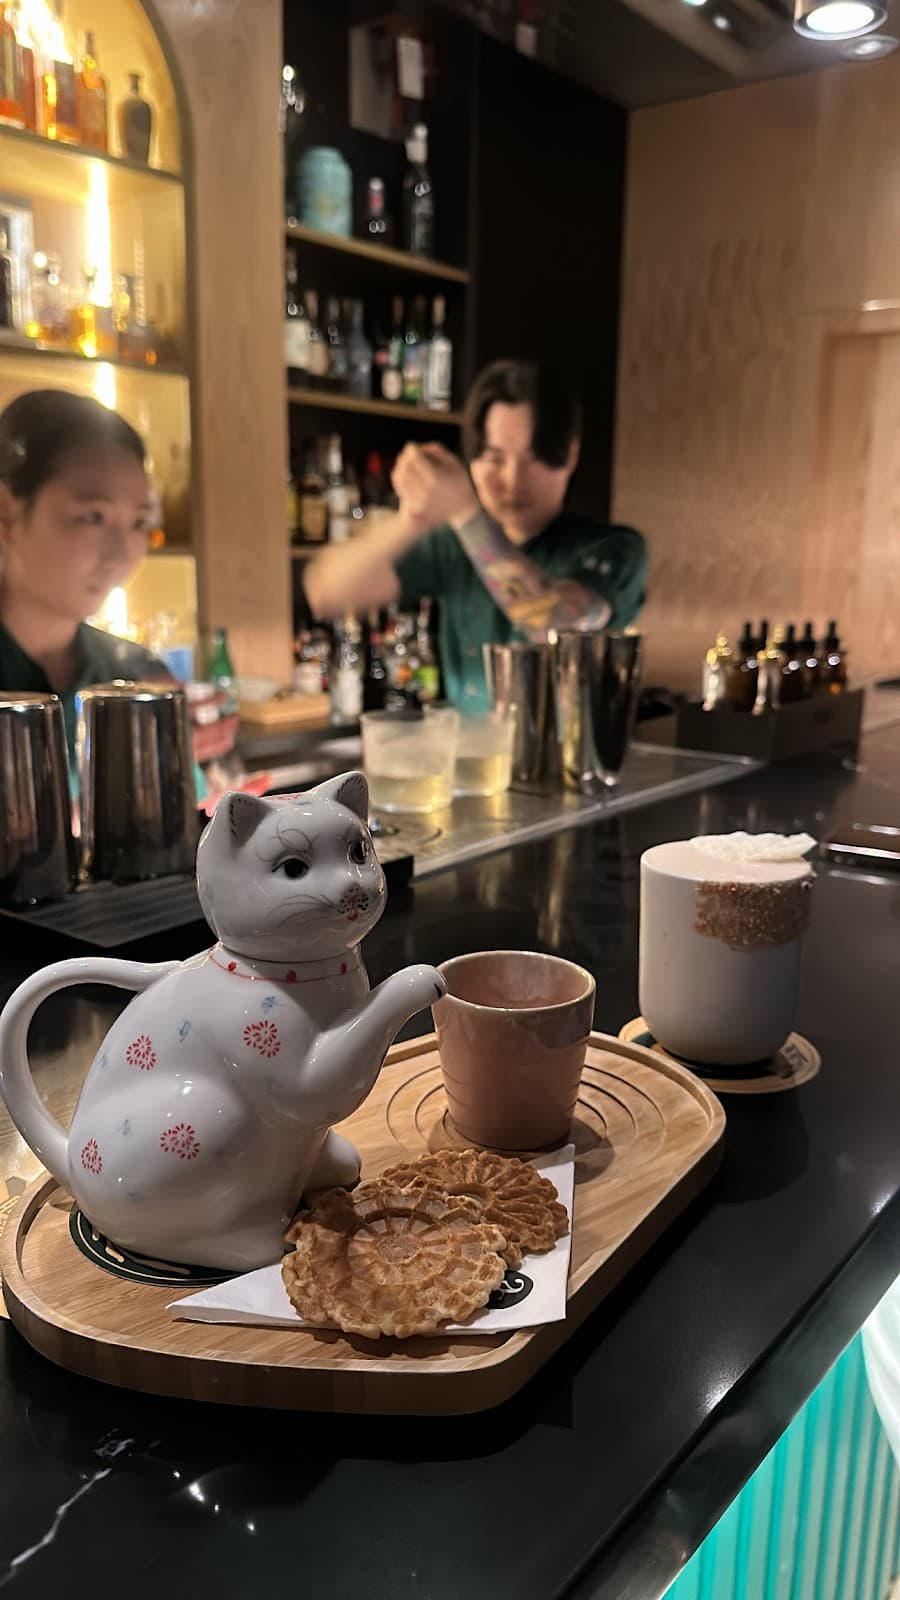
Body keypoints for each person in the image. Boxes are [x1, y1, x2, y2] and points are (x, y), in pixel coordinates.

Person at [304, 359, 647, 709]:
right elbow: (328, 591)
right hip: (471, 759)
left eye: (533, 459)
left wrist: (467, 513)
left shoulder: (615, 549)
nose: (513, 481)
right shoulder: (452, 545)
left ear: (570, 456)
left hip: (567, 761)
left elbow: (556, 622)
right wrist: (413, 518)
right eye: (495, 459)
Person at [0, 389, 171, 764]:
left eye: (139, 523)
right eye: (93, 516)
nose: (123, 554)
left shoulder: (133, 674)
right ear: (7, 514)